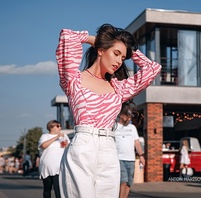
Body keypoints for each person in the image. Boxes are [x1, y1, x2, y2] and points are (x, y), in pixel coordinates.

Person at [56, 23, 161, 198]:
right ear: (101, 50)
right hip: (83, 147)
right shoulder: (74, 80)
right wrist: (98, 41)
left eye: (123, 58)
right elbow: (68, 36)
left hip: (109, 150)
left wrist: (128, 50)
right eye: (116, 54)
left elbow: (152, 69)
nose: (119, 61)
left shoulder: (119, 88)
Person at [115, 102, 145, 198]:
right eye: (127, 116)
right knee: (122, 181)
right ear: (121, 115)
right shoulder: (114, 127)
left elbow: (136, 142)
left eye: (130, 117)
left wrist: (141, 156)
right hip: (119, 159)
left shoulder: (132, 128)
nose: (129, 118)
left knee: (129, 183)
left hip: (131, 159)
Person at [38, 120, 69, 198]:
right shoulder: (44, 136)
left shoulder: (64, 136)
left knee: (58, 188)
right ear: (51, 127)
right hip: (47, 167)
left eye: (60, 126)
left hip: (58, 167)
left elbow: (67, 147)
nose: (60, 127)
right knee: (47, 189)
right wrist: (56, 137)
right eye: (58, 126)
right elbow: (44, 146)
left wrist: (64, 142)